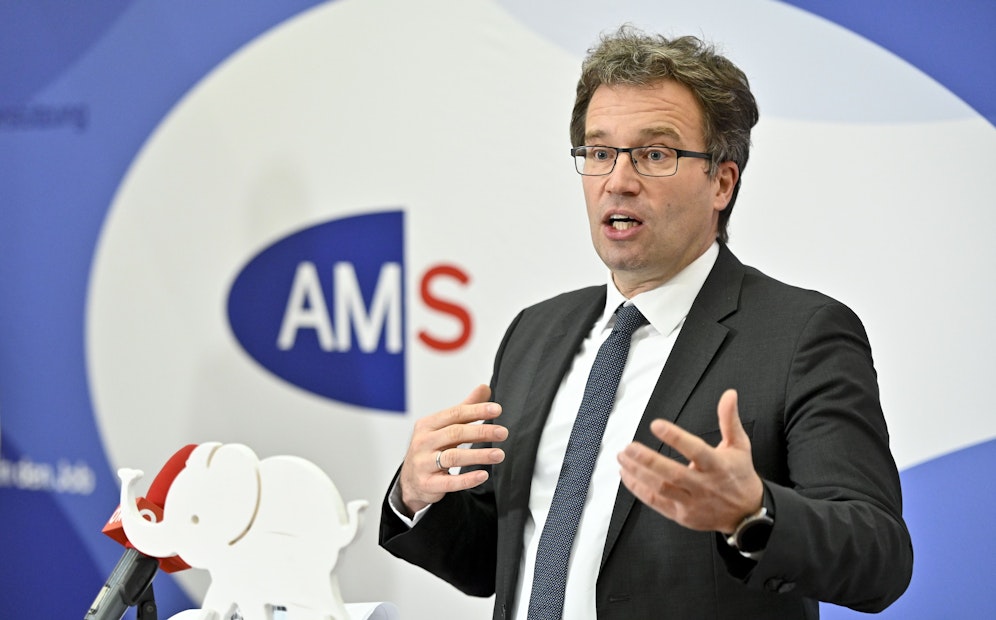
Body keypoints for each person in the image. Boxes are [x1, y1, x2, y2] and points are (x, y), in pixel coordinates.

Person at [379, 27, 913, 619]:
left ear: (722, 182)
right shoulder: (536, 332)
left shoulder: (801, 336)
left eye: (655, 154)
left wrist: (754, 514)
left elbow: (879, 558)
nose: (618, 180)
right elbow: (496, 561)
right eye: (599, 153)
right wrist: (416, 495)